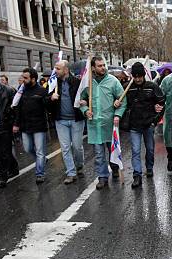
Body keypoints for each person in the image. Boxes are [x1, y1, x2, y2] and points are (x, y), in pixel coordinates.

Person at [78, 56, 127, 189]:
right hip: (94, 125)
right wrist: (85, 110)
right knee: (99, 154)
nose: (103, 68)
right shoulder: (87, 83)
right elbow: (81, 100)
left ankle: (114, 167)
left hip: (110, 124)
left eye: (103, 65)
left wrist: (118, 114)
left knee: (112, 151)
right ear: (93, 68)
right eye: (99, 66)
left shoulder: (113, 82)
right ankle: (102, 177)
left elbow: (123, 101)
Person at [124, 62, 165, 188]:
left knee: (150, 148)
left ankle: (149, 167)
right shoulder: (127, 88)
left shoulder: (152, 87)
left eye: (139, 76)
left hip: (148, 124)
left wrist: (155, 120)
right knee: (135, 150)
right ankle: (137, 175)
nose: (137, 79)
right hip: (134, 125)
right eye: (135, 76)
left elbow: (162, 102)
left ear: (143, 75)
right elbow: (122, 103)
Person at [48, 60, 86, 184]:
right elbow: (44, 100)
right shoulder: (53, 83)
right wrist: (50, 98)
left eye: (58, 69)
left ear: (66, 70)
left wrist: (85, 102)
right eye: (55, 68)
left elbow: (85, 95)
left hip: (76, 119)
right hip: (61, 121)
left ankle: (79, 164)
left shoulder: (77, 82)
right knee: (65, 148)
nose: (55, 71)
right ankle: (71, 172)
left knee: (77, 146)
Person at [13, 67, 50, 183]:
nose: (23, 80)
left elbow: (47, 107)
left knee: (39, 151)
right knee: (28, 148)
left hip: (39, 126)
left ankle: (40, 173)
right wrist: (16, 124)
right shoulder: (21, 91)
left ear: (33, 79)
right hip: (25, 126)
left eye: (25, 78)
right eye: (22, 77)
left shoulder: (42, 91)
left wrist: (49, 100)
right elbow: (18, 109)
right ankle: (42, 159)